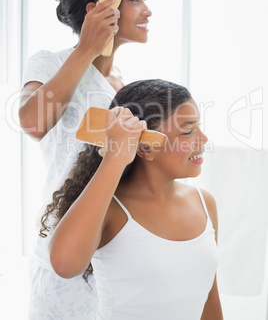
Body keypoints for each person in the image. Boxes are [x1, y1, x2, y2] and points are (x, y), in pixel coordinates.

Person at [19, 0, 152, 319]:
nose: (148, 10)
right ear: (98, 9)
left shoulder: (127, 89)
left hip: (114, 249)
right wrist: (86, 49)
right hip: (64, 242)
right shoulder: (49, 63)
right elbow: (32, 123)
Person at [40, 79, 224, 320]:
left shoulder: (204, 203)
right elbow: (64, 265)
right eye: (189, 130)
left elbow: (209, 296)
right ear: (146, 146)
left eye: (198, 126)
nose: (204, 139)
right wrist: (115, 157)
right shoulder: (111, 209)